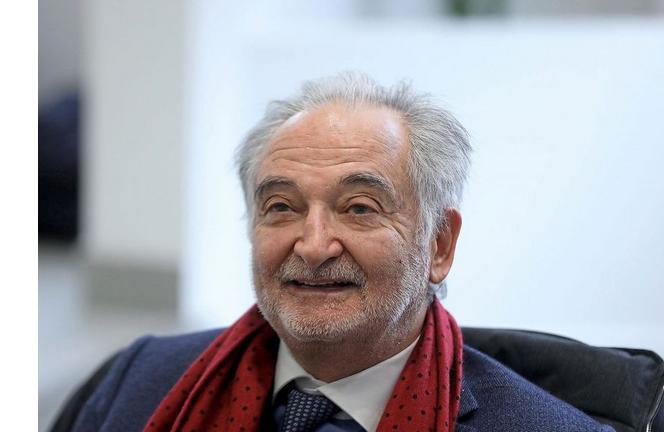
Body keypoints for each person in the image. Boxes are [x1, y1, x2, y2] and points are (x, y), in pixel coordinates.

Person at [71, 72, 614, 432]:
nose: (313, 246)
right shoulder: (138, 382)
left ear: (439, 245)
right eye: (281, 207)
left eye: (359, 208)